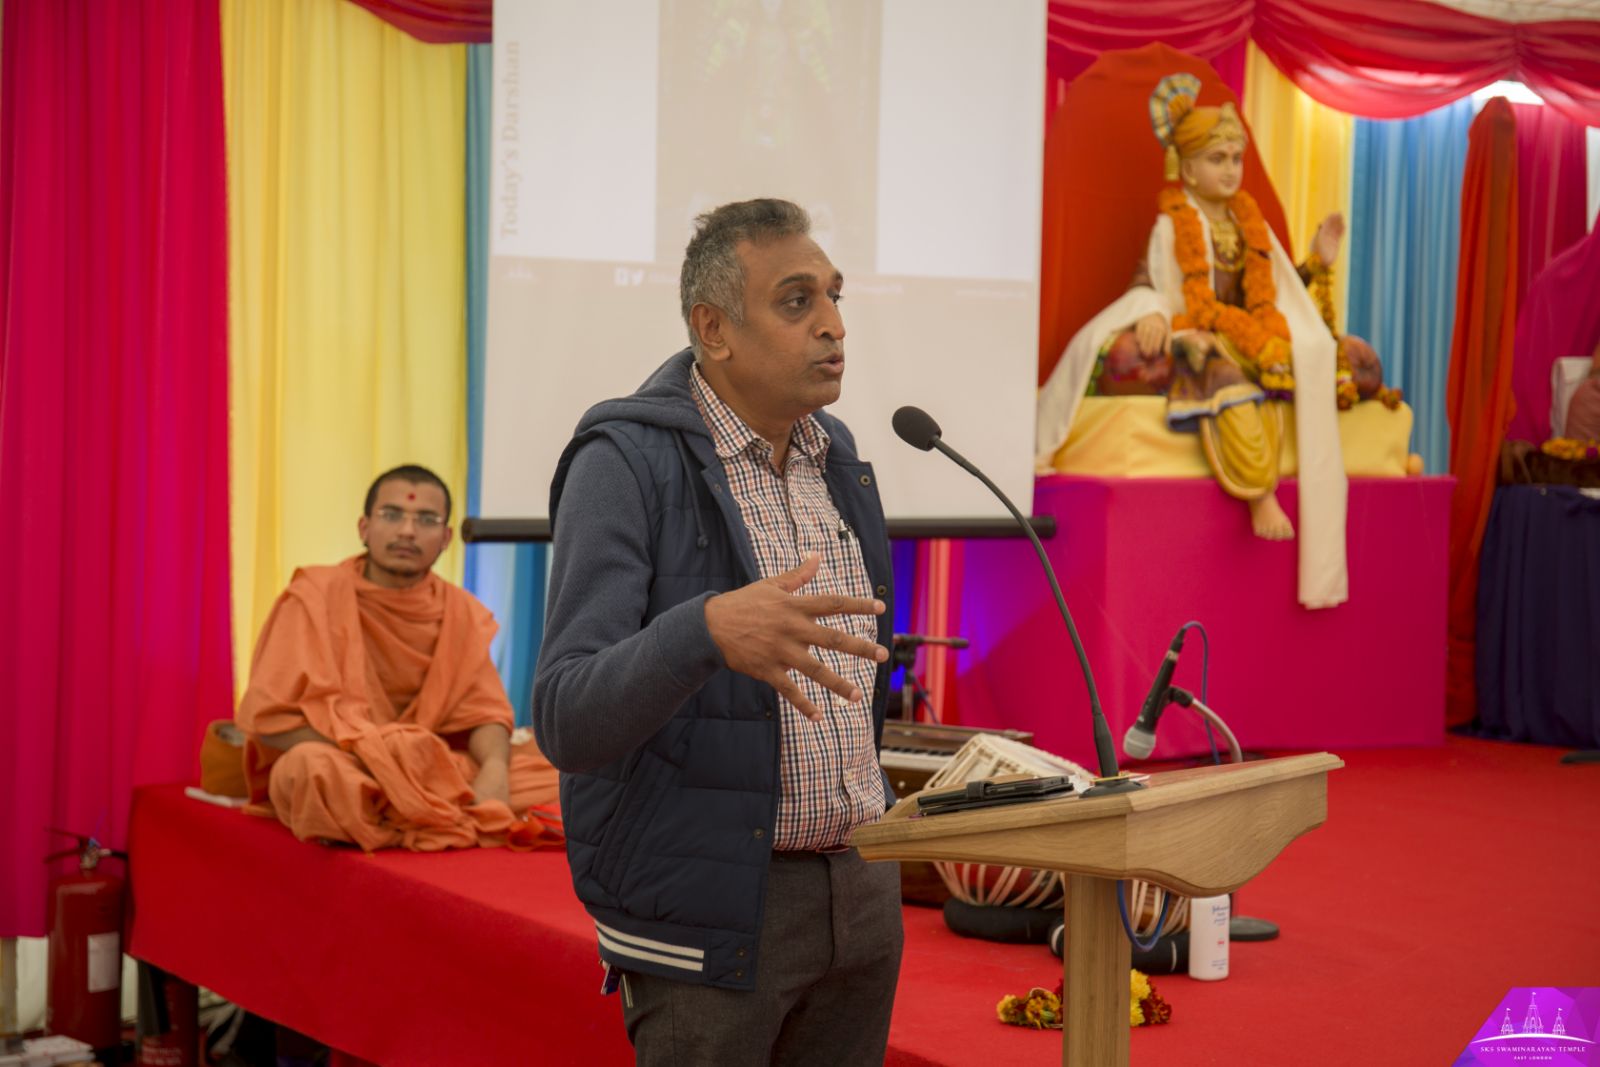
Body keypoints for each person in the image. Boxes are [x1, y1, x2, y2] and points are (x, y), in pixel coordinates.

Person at [533, 199, 902, 1065]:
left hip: (861, 895)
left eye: (835, 297)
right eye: (797, 300)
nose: (834, 326)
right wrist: (701, 630)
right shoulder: (624, 462)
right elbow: (563, 714)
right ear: (714, 328)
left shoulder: (835, 454)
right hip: (709, 913)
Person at [236, 464, 559, 851]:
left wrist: (493, 773)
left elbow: (485, 713)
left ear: (445, 537)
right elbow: (269, 719)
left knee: (552, 769)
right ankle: (418, 809)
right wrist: (378, 755)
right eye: (392, 515)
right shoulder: (314, 596)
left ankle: (405, 808)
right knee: (313, 770)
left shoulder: (460, 612)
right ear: (364, 527)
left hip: (427, 766)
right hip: (347, 761)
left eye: (426, 519)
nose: (407, 531)